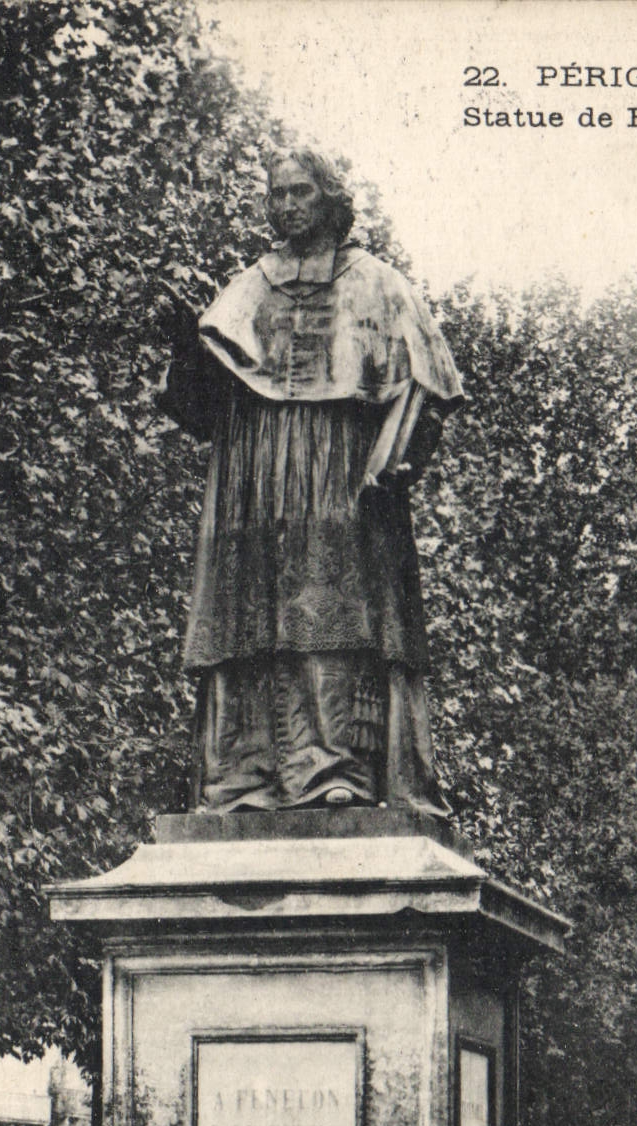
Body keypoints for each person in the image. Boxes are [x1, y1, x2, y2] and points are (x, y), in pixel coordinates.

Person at [160, 149, 463, 813]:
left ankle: (333, 771)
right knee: (249, 613)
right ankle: (246, 775)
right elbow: (201, 406)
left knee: (330, 612)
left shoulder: (378, 284)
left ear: (330, 201)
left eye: (300, 192)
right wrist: (187, 350)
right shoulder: (247, 288)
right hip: (252, 474)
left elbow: (425, 383)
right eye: (277, 195)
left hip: (338, 472)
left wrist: (395, 456)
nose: (288, 206)